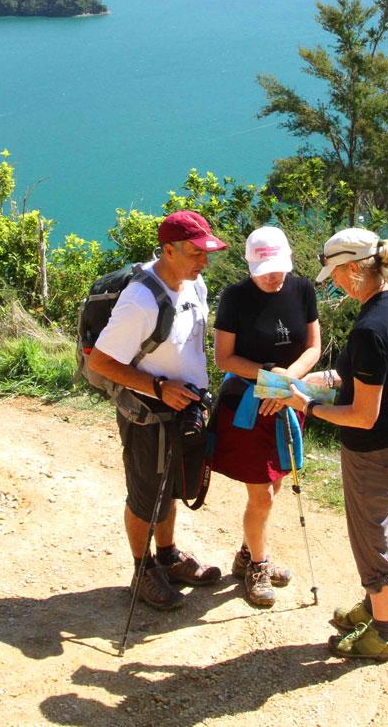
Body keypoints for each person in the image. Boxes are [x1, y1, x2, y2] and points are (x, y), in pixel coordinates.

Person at [287, 227, 388, 662]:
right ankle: (371, 603)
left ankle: (383, 633)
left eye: (338, 274)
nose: (336, 283)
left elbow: (363, 415)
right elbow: (363, 376)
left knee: (368, 536)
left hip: (374, 448)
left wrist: (307, 407)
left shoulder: (369, 328)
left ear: (357, 268)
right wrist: (305, 383)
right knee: (369, 528)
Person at [87, 210, 227, 610]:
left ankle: (167, 555)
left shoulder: (192, 283)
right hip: (148, 412)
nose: (205, 261)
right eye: (196, 253)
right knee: (147, 494)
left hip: (183, 407)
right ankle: (142, 568)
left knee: (173, 486)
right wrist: (159, 388)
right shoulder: (140, 301)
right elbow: (101, 361)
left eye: (206, 252)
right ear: (168, 250)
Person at [211, 225, 322, 608]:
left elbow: (313, 346)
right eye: (265, 270)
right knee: (262, 493)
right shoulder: (235, 297)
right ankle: (258, 564)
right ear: (250, 266)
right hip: (248, 404)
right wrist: (270, 383)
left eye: (280, 268)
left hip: (287, 400)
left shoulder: (303, 289)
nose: (274, 276)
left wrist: (285, 382)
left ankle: (246, 554)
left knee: (273, 485)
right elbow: (224, 358)